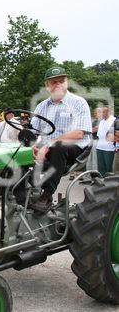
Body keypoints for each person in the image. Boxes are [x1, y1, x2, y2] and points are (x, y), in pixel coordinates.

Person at [30, 67, 92, 213]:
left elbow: (79, 133)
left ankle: (46, 196)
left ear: (67, 82)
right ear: (47, 85)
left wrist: (48, 145)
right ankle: (21, 193)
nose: (58, 84)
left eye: (61, 81)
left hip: (74, 149)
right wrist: (34, 145)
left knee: (58, 146)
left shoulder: (78, 103)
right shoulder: (41, 106)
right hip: (48, 149)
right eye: (53, 82)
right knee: (19, 152)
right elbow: (34, 132)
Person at [96, 106, 115, 176]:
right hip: (99, 147)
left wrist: (117, 147)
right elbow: (100, 135)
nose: (101, 114)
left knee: (108, 168)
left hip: (109, 148)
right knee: (101, 168)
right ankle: (102, 183)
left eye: (102, 112)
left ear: (107, 112)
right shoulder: (101, 121)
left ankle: (110, 184)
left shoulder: (113, 120)